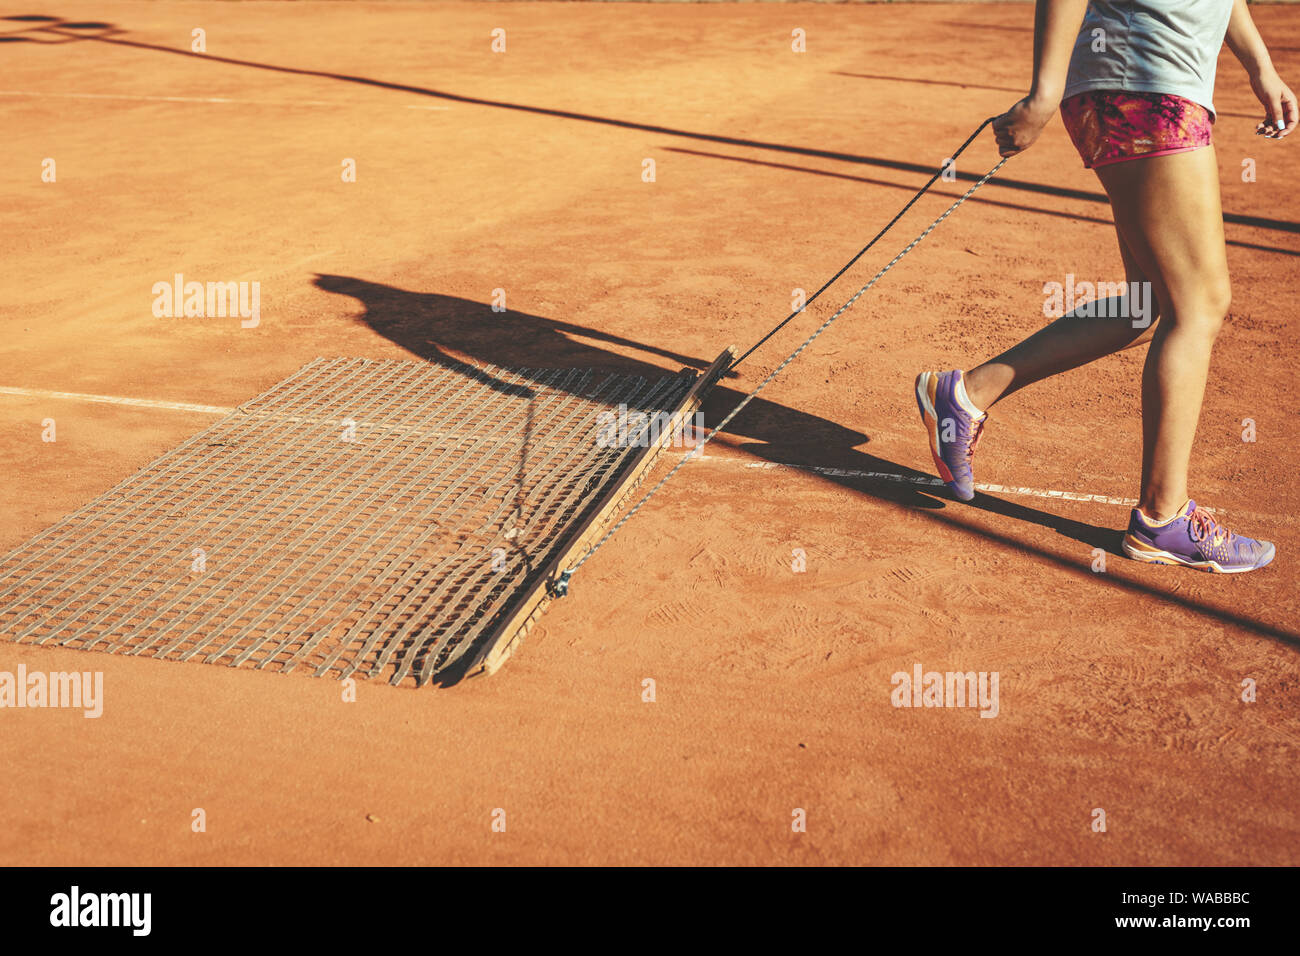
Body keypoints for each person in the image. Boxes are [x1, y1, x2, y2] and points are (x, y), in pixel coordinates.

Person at [916, 0, 1292, 573]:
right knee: (1199, 306)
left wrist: (1259, 66)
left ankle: (965, 394)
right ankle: (1162, 519)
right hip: (1143, 86)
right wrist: (1042, 93)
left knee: (1148, 307)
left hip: (1143, 85)